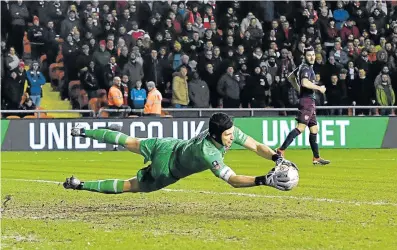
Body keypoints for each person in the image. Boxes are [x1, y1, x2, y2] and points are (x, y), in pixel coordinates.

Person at [63, 113, 298, 194]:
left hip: (168, 145)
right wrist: (263, 180)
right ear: (215, 135)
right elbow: (234, 181)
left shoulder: (225, 131)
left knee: (129, 141)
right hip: (166, 170)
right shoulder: (209, 154)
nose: (231, 137)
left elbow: (257, 146)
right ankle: (80, 185)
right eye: (227, 135)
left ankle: (83, 130)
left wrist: (277, 157)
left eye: (231, 133)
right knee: (130, 186)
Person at [277, 46, 330, 166]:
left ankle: (316, 158)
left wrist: (298, 89)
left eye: (313, 55)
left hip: (308, 100)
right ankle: (280, 150)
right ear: (304, 57)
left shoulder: (302, 66)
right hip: (307, 101)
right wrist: (319, 88)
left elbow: (290, 77)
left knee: (314, 129)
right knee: (300, 127)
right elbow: (305, 82)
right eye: (309, 55)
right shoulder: (306, 68)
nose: (311, 57)